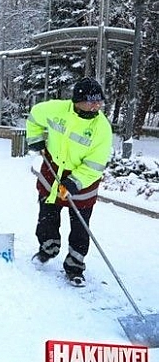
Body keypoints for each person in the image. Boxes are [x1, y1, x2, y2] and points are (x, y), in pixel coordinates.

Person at [27, 77, 112, 287]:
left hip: (83, 179)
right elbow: (34, 116)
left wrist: (75, 182)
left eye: (99, 101)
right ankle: (48, 247)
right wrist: (35, 138)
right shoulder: (55, 109)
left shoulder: (102, 128)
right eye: (92, 101)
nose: (97, 105)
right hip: (53, 168)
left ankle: (75, 265)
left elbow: (95, 164)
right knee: (47, 215)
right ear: (77, 100)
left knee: (80, 225)